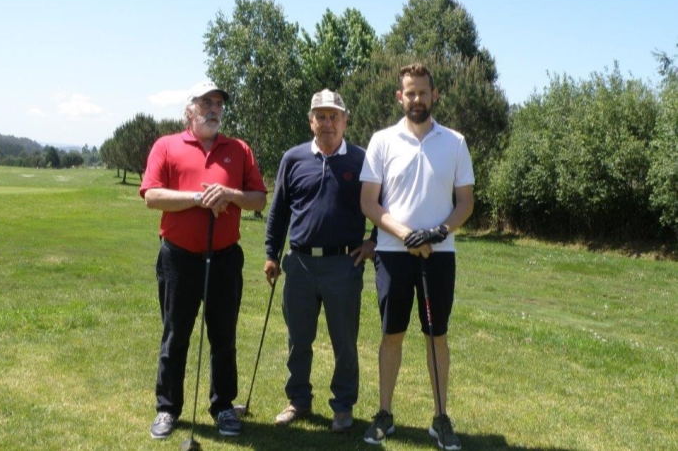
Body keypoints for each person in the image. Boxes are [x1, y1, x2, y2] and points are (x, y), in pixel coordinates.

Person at [140, 80, 267, 440]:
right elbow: (152, 196)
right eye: (206, 102)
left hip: (225, 259)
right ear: (189, 110)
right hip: (178, 260)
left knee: (223, 337)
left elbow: (258, 198)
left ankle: (223, 406)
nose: (214, 109)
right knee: (175, 335)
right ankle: (167, 408)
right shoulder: (167, 146)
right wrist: (198, 199)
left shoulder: (239, 149)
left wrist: (229, 193)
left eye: (218, 104)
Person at [359, 64, 474, 450]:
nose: (417, 99)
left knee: (436, 336)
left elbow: (466, 203)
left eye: (423, 92)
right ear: (400, 97)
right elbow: (369, 203)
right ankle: (385, 414)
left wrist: (438, 232)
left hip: (439, 256)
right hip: (393, 254)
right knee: (392, 334)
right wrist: (408, 235)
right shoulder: (381, 141)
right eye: (410, 93)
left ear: (435, 95)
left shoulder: (455, 142)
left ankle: (440, 418)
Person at [264, 89, 376, 433]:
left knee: (344, 341)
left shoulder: (362, 160)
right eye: (321, 116)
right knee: (298, 339)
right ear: (311, 121)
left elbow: (385, 205)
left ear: (345, 120)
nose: (328, 123)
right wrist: (271, 254)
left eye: (334, 116)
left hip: (344, 265)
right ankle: (298, 400)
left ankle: (343, 406)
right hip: (298, 264)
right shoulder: (293, 158)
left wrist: (374, 241)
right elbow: (279, 210)